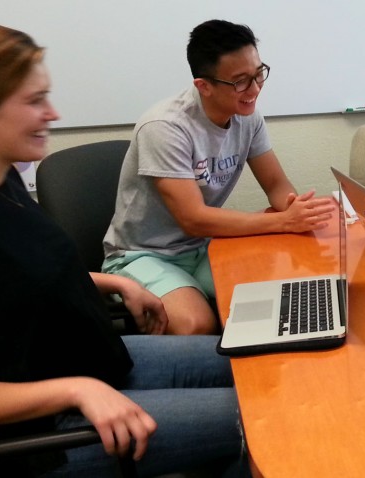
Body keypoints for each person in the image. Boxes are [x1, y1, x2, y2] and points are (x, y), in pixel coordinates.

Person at [0, 23, 248, 476]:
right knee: (261, 419)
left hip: (90, 361)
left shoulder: (0, 181)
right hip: (40, 431)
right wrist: (75, 391)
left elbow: (16, 278)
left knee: (265, 369)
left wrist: (111, 281)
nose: (52, 113)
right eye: (34, 100)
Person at [102, 19, 337, 335]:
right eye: (240, 81)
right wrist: (282, 222)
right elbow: (194, 219)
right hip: (144, 255)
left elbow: (276, 185)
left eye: (258, 74)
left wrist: (296, 209)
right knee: (196, 324)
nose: (254, 90)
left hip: (205, 246)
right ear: (204, 85)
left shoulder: (247, 116)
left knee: (280, 289)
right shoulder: (164, 128)